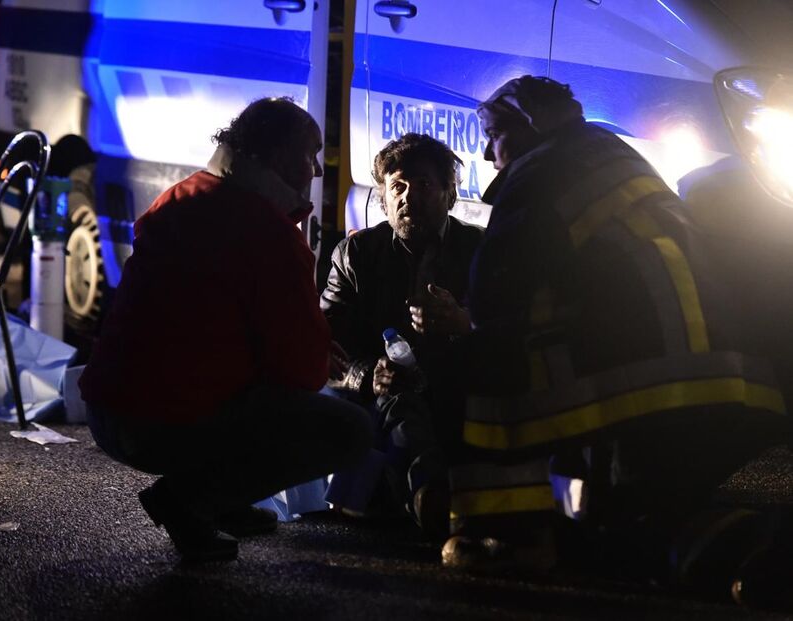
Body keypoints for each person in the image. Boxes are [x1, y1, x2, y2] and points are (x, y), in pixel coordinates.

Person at [444, 75, 790, 604]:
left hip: (644, 392)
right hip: (726, 389)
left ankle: (507, 535)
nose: (489, 154)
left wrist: (459, 331)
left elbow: (496, 296)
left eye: (493, 135)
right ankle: (752, 552)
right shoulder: (610, 154)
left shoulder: (539, 173)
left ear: (528, 125)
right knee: (637, 527)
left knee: (477, 363)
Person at [79, 98, 373, 562]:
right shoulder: (268, 233)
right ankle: (190, 502)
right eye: (309, 154)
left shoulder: (180, 196)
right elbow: (301, 371)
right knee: (349, 429)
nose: (316, 171)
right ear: (275, 156)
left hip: (106, 410)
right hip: (160, 422)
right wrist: (319, 352)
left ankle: (222, 502)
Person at [320, 132, 483, 537]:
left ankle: (422, 496)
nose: (408, 198)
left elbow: (512, 327)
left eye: (425, 185)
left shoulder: (479, 249)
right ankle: (429, 496)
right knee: (397, 396)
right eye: (397, 186)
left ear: (450, 193)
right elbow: (324, 350)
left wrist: (464, 323)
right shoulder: (356, 255)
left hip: (459, 384)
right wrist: (367, 375)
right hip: (384, 397)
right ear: (383, 197)